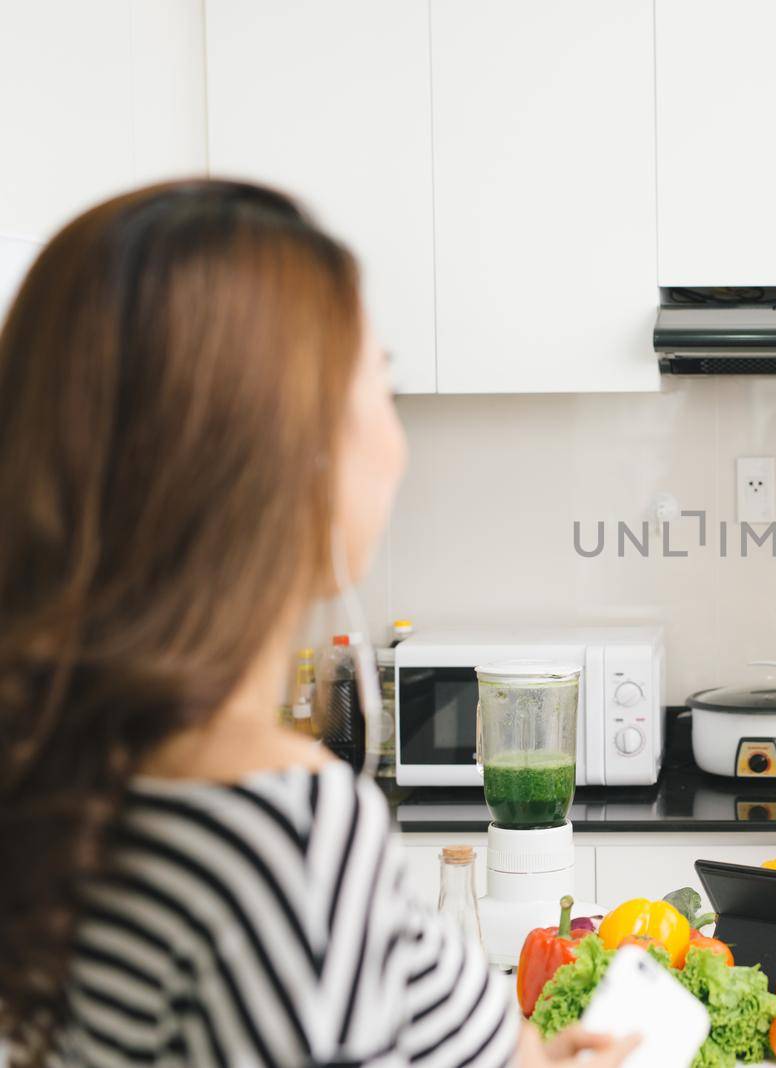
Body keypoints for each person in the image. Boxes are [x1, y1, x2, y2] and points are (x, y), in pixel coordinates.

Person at [0, 181, 637, 1068]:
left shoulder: (78, 760)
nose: (397, 437)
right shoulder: (286, 836)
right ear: (285, 454)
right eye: (382, 382)